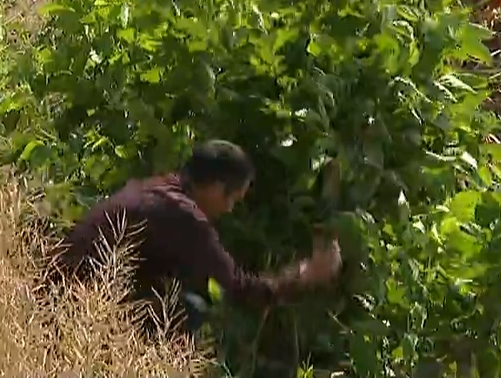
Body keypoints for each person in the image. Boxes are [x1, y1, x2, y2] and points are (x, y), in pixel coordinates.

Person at [50, 140, 343, 339]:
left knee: (175, 292)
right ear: (216, 188)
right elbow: (240, 289)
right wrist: (306, 275)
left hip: (58, 286)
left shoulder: (158, 188)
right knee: (188, 310)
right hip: (73, 303)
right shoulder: (185, 217)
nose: (230, 210)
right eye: (233, 200)